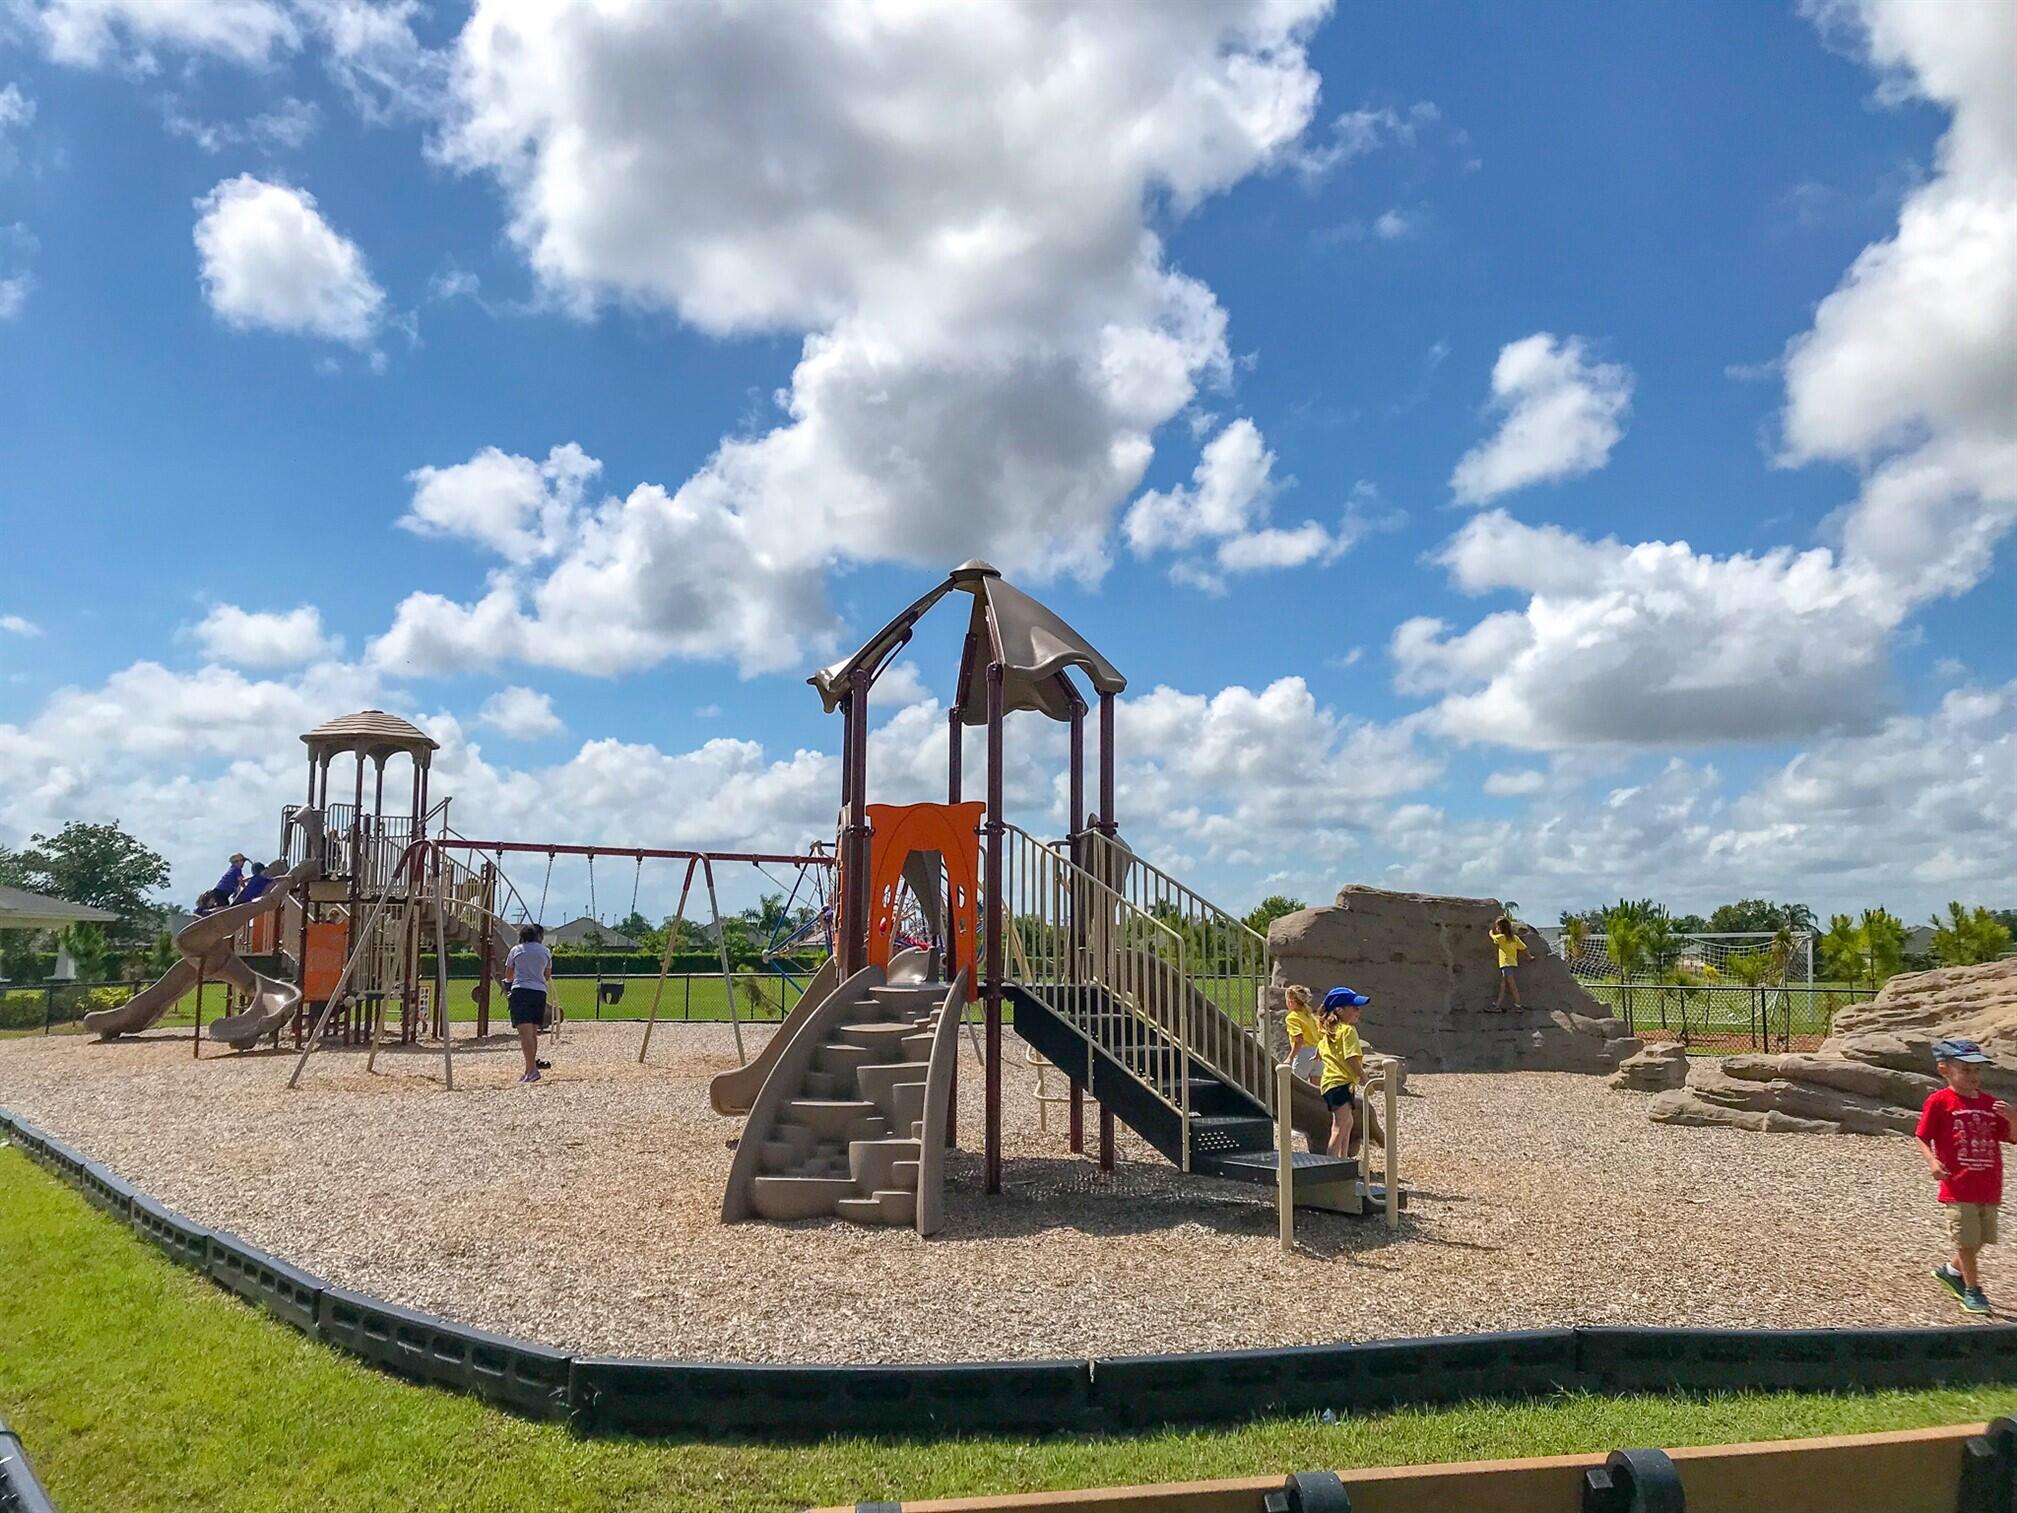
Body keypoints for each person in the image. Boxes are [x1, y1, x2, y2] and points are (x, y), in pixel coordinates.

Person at [1917, 1038, 2015, 1315]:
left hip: (1988, 1184)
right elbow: (1922, 1136)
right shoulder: (1939, 1101)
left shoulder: (1991, 1104)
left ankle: (1950, 1271)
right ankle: (1972, 1289)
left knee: (1982, 1237)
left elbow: (2011, 1137)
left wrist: (2013, 1119)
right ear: (1944, 1069)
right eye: (1965, 1070)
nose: (1973, 1077)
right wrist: (1932, 1161)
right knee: (1967, 1241)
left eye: (1977, 1071)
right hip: (1957, 1185)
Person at [1314, 990, 1367, 1159]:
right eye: (1354, 1007)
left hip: (1332, 1084)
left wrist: (1316, 1054)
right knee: (1339, 1125)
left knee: (1347, 1122)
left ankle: (1343, 1159)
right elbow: (1351, 1058)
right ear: (1339, 1010)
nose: (1358, 1011)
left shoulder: (1330, 1031)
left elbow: (1322, 1049)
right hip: (1340, 1084)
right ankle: (1330, 1163)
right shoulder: (1348, 1031)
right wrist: (1364, 1079)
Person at [504, 923, 554, 1085]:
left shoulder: (516, 950)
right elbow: (547, 975)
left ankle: (531, 1069)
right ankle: (529, 1069)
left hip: (521, 991)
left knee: (524, 1033)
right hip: (539, 992)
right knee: (532, 1032)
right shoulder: (545, 951)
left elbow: (508, 974)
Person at [1487, 914, 1528, 1012]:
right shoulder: (1514, 938)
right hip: (1511, 963)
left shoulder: (1501, 938)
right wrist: (1529, 956)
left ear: (1500, 928)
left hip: (1505, 963)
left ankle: (1518, 1004)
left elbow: (1493, 937)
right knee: (1503, 985)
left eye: (1497, 926)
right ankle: (1498, 1004)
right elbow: (1524, 948)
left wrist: (1491, 932)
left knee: (1511, 984)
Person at [1283, 984, 1323, 1082]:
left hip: (1303, 1053)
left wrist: (1290, 1058)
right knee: (1316, 1088)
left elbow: (1299, 1039)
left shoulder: (1292, 1017)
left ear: (1291, 1001)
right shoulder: (1311, 1016)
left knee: (1299, 1087)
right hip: (1318, 1052)